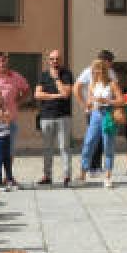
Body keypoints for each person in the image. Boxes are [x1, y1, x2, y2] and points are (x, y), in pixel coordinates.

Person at [34, 49, 75, 187]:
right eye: (52, 59)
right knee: (47, 148)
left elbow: (66, 93)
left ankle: (67, 176)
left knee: (64, 147)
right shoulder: (43, 75)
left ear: (61, 60)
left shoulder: (67, 74)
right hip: (46, 116)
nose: (54, 61)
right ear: (48, 60)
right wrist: (56, 96)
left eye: (57, 59)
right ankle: (47, 175)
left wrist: (57, 78)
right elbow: (37, 95)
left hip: (63, 117)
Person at [79, 60, 120, 187]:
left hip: (108, 114)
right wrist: (89, 104)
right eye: (94, 69)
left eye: (98, 69)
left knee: (108, 145)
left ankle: (107, 177)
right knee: (88, 143)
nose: (95, 71)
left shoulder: (112, 84)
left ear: (104, 70)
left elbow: (121, 100)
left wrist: (107, 100)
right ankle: (82, 174)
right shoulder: (92, 84)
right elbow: (90, 100)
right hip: (96, 114)